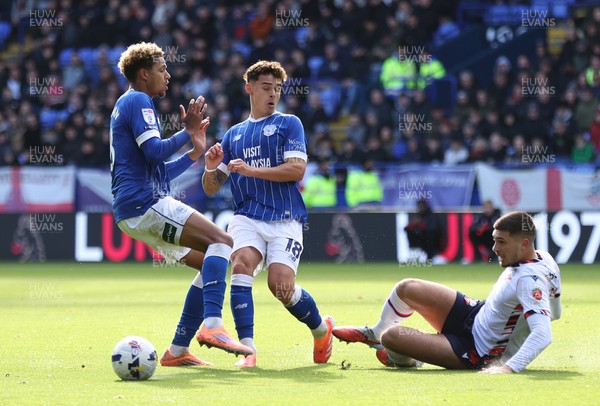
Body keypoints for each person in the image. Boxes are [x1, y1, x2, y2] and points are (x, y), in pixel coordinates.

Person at [110, 42, 253, 368]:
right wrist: (188, 132)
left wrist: (192, 153)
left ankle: (177, 350)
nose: (168, 75)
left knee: (210, 262)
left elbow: (158, 169)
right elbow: (156, 152)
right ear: (144, 73)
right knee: (224, 242)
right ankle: (213, 326)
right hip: (143, 204)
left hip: (134, 208)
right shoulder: (138, 100)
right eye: (162, 69)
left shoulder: (128, 104)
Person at [202, 60, 335, 368]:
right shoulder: (233, 135)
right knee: (241, 263)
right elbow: (211, 187)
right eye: (265, 88)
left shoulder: (290, 123)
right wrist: (211, 167)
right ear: (249, 89)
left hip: (285, 217)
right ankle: (247, 350)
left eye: (277, 88)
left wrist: (251, 170)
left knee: (281, 286)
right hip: (247, 215)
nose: (273, 94)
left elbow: (296, 169)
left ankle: (321, 330)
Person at [333, 211, 562, 374]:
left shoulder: (529, 281)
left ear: (523, 243)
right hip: (475, 314)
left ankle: (408, 360)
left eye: (501, 242)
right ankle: (374, 333)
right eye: (494, 240)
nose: (495, 248)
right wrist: (534, 312)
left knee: (393, 338)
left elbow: (543, 334)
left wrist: (508, 366)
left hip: (476, 350)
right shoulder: (544, 257)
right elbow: (556, 311)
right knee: (406, 288)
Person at [465, 199, 501, 263]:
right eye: (485, 207)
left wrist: (489, 227)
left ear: (492, 208)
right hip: (484, 239)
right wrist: (480, 228)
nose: (487, 209)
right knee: (472, 233)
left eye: (489, 207)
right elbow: (473, 227)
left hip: (494, 239)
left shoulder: (497, 216)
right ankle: (480, 255)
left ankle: (497, 255)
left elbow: (500, 228)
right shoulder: (481, 217)